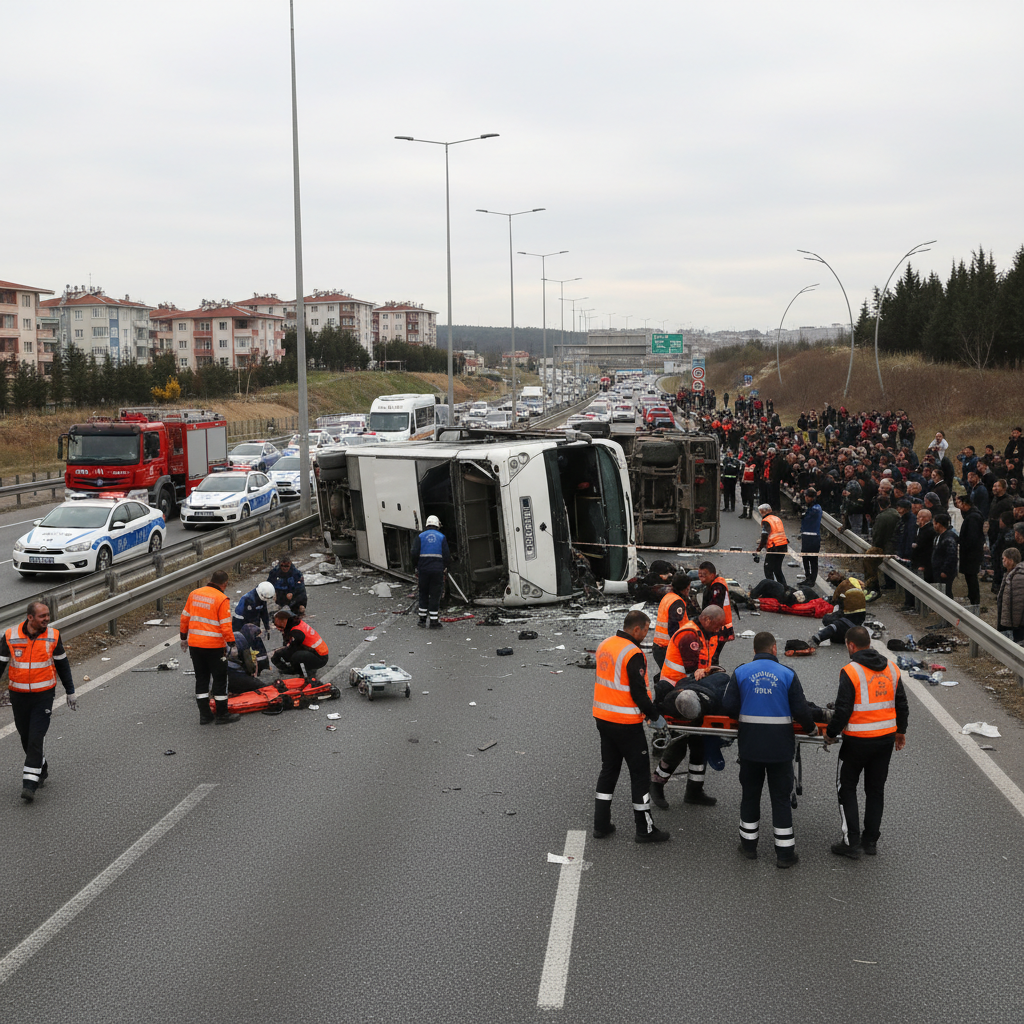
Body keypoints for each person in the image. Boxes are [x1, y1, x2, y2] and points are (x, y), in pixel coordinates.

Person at [721, 632, 819, 868]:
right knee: (780, 799)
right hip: (780, 749)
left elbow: (729, 706)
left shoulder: (741, 672)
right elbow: (801, 710)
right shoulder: (787, 674)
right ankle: (785, 855)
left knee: (750, 795)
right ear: (774, 649)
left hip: (750, 747)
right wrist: (812, 729)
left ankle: (748, 847)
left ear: (754, 650)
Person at [822, 625, 908, 858]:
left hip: (857, 742)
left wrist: (830, 733)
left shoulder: (851, 671)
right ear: (869, 643)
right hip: (885, 741)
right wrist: (900, 731)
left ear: (851, 645)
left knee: (846, 787)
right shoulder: (891, 668)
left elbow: (843, 709)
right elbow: (901, 704)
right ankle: (870, 841)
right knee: (875, 790)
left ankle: (851, 842)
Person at [592, 610, 670, 844]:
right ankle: (644, 830)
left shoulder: (605, 644)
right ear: (636, 629)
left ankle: (601, 824)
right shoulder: (633, 653)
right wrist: (654, 716)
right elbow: (637, 692)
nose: (646, 635)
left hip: (603, 718)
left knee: (609, 770)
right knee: (640, 776)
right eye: (646, 630)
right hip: (626, 724)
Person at [0, 601, 77, 802]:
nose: (47, 619)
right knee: (26, 737)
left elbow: (63, 665)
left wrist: (70, 691)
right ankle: (41, 768)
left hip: (43, 696)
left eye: (47, 615)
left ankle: (29, 785)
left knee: (36, 737)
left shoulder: (53, 636)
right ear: (30, 617)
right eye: (42, 616)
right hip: (18, 696)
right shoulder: (10, 635)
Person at [649, 668, 729, 809]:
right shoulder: (673, 700)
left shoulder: (711, 693)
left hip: (698, 707)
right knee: (677, 749)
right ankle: (656, 783)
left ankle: (694, 791)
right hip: (686, 708)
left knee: (699, 749)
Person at [180, 570, 240, 725]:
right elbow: (226, 626)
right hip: (214, 647)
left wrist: (183, 638)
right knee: (220, 680)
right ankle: (222, 715)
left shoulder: (194, 594)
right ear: (224, 584)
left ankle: (205, 715)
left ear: (211, 580)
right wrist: (232, 644)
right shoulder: (221, 599)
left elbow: (185, 617)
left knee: (201, 679)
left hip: (195, 646)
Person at [651, 572, 694, 678]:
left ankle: (659, 682)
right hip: (667, 648)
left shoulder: (668, 597)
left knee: (667, 674)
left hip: (659, 646)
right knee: (675, 677)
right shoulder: (677, 602)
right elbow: (673, 627)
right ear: (685, 589)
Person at [412, 514, 451, 629]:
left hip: (423, 570)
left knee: (423, 593)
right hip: (437, 570)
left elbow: (414, 553)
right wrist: (445, 567)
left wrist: (416, 566)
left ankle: (422, 620)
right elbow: (446, 554)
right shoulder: (441, 537)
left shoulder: (420, 537)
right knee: (435, 594)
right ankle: (434, 621)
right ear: (437, 525)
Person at [810, 570, 866, 646]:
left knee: (830, 621)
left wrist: (816, 638)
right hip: (855, 624)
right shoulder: (860, 613)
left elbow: (831, 621)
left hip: (842, 631)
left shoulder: (841, 623)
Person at [271, 609, 329, 680]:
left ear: (284, 621)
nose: (277, 628)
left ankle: (307, 674)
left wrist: (278, 653)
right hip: (315, 652)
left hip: (320, 657)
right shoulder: (295, 623)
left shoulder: (296, 631)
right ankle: (296, 669)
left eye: (277, 625)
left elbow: (292, 649)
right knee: (289, 653)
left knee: (296, 656)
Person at [697, 561, 735, 653]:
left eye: (704, 575)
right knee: (711, 655)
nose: (702, 579)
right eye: (700, 575)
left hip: (718, 627)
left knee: (711, 655)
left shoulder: (717, 587)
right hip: (718, 626)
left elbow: (714, 609)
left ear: (712, 575)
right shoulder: (712, 585)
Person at [227, 623, 270, 694]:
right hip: (233, 674)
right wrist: (252, 673)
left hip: (222, 675)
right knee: (263, 687)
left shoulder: (233, 636)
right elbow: (248, 664)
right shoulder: (242, 641)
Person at [756, 504, 789, 586]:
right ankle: (784, 587)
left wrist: (759, 549)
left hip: (774, 547)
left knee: (768, 569)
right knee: (777, 569)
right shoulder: (777, 518)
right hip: (783, 545)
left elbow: (764, 536)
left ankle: (772, 588)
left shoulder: (766, 521)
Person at [996, 547, 1024, 642]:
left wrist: (1015, 623)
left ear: (1011, 561)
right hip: (1012, 621)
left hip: (1016, 623)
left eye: (1004, 559)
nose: (1003, 561)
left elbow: (1018, 602)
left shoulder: (1018, 577)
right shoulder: (1011, 574)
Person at [798, 489, 822, 589]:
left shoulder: (816, 508)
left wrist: (804, 510)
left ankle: (812, 580)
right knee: (805, 558)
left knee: (813, 559)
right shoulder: (810, 507)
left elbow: (805, 516)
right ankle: (808, 577)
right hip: (806, 535)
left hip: (813, 536)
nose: (805, 498)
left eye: (807, 496)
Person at [931, 513, 959, 599]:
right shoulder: (939, 536)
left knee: (946, 592)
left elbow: (951, 555)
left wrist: (945, 570)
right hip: (938, 568)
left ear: (938, 524)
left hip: (944, 570)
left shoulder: (948, 538)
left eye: (934, 523)